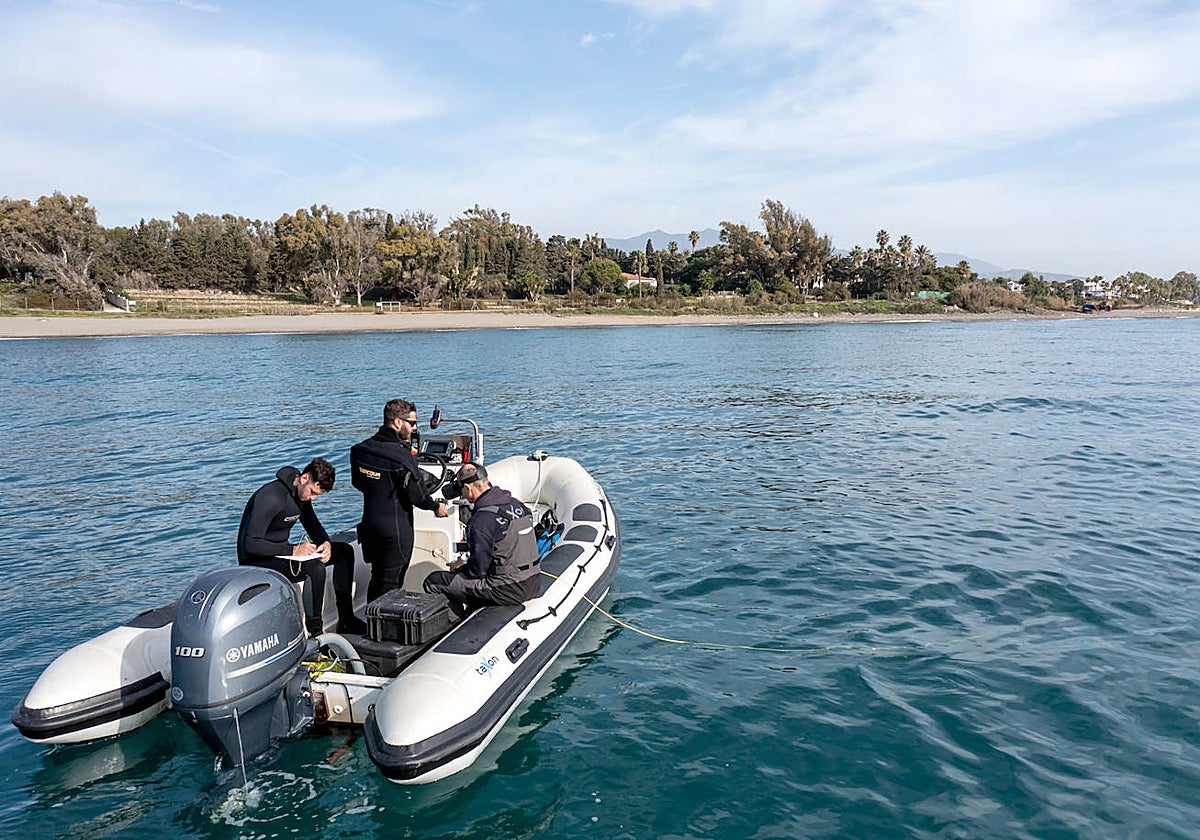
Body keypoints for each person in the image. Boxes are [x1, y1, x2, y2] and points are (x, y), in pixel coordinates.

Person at [236, 457, 365, 635]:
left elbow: (312, 524)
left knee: (344, 552)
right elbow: (250, 544)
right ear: (304, 478)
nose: (312, 498)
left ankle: (346, 620)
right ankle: (316, 634)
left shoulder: (301, 495)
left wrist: (325, 542)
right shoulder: (271, 497)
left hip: (281, 553)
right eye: (312, 492)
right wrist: (294, 550)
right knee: (315, 568)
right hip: (258, 559)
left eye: (316, 496)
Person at [350, 399, 449, 601]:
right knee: (392, 584)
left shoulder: (361, 450)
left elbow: (358, 483)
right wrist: (436, 507)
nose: (414, 428)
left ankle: (372, 617)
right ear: (397, 422)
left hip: (370, 527)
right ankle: (383, 621)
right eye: (412, 423)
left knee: (377, 577)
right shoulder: (403, 457)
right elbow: (418, 497)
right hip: (395, 530)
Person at [423, 463, 541, 614]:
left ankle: (456, 623)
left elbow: (477, 571)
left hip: (507, 589)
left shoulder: (481, 520)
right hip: (533, 581)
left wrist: (459, 567)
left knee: (434, 581)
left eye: (461, 491)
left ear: (468, 489)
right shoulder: (517, 504)